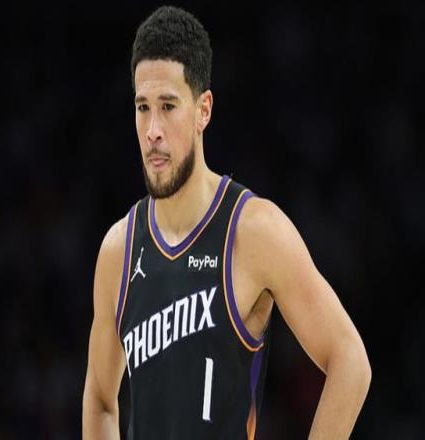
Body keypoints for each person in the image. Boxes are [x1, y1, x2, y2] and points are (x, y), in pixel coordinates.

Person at [82, 6, 371, 439]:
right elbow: (100, 399)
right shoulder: (118, 250)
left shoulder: (253, 231)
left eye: (168, 106)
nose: (153, 129)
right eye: (143, 107)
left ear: (203, 110)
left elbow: (350, 360)